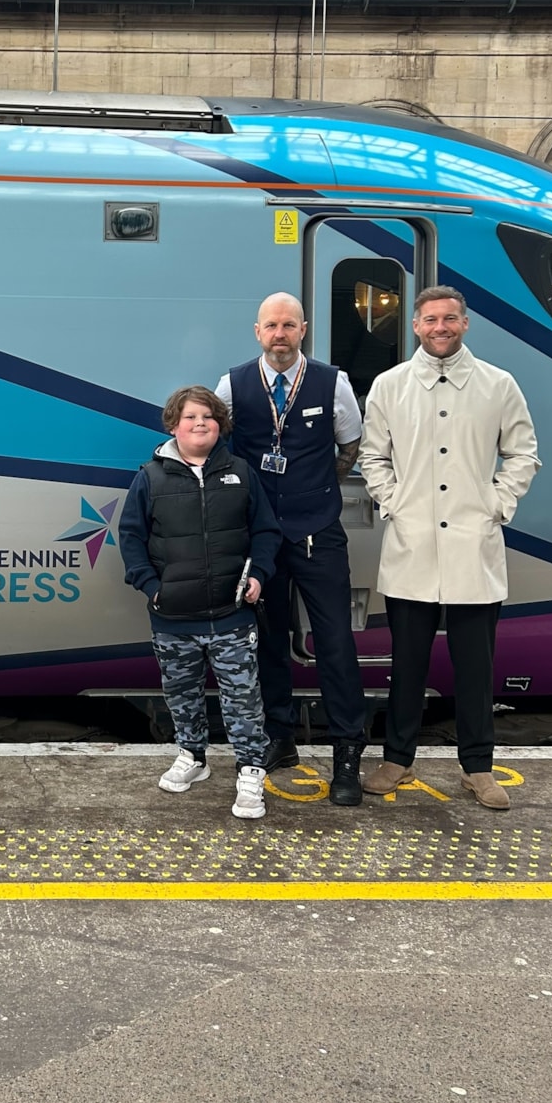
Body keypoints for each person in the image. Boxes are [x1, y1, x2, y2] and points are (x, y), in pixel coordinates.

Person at [359, 287, 540, 809]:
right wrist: (393, 503)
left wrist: (496, 505)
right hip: (412, 546)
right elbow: (373, 457)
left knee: (476, 667)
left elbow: (523, 453)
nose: (441, 326)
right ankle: (397, 758)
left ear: (465, 324)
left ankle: (477, 767)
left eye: (451, 318)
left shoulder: (497, 385)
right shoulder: (389, 386)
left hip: (472, 545)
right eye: (431, 319)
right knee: (407, 664)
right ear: (415, 325)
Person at [216, 292, 368, 805]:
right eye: (270, 326)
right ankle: (279, 738)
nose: (279, 335)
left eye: (288, 326)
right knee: (267, 642)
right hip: (260, 537)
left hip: (319, 533)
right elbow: (219, 447)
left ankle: (347, 752)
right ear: (257, 331)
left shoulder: (333, 382)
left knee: (335, 644)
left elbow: (350, 445)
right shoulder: (232, 384)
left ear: (304, 329)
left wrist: (317, 489)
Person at [119, 386, 281, 819]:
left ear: (219, 425)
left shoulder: (242, 473)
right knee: (182, 695)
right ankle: (193, 757)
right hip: (173, 617)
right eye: (191, 417)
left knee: (243, 698)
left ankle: (250, 771)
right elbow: (131, 537)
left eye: (208, 417)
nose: (200, 424)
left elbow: (266, 532)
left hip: (232, 616)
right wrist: (152, 586)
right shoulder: (150, 478)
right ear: (174, 424)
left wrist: (259, 575)